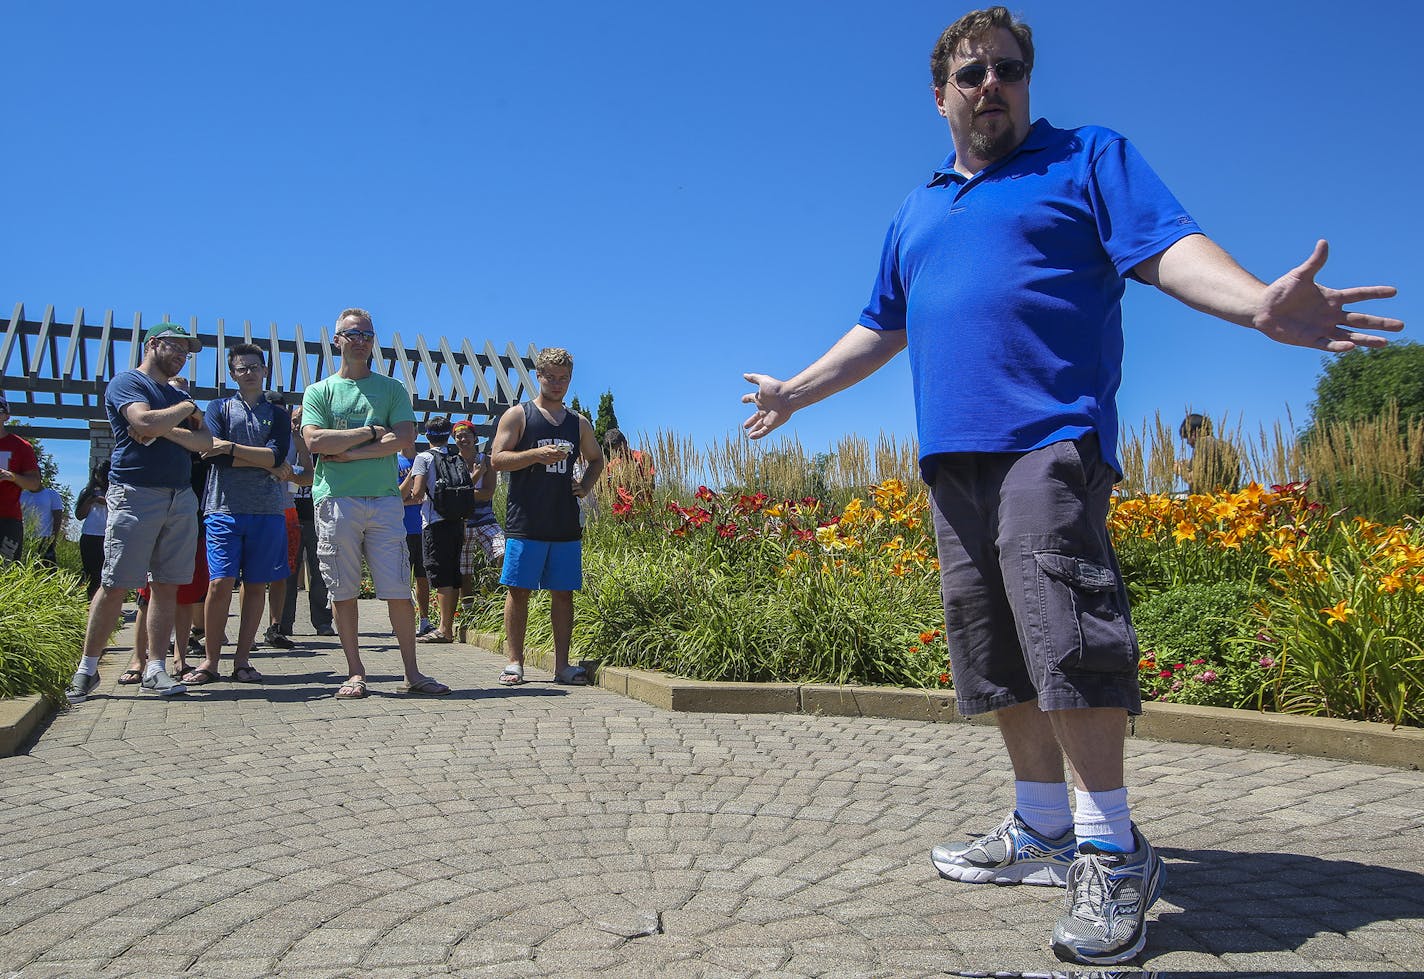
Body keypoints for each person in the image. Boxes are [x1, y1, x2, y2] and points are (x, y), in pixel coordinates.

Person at [740, 7, 1403, 965]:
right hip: (951, 457)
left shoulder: (1086, 158)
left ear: (1026, 82)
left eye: (1008, 70)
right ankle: (1043, 827)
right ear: (940, 96)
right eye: (971, 75)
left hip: (1049, 440)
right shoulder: (918, 210)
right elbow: (881, 325)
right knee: (997, 646)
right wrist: (799, 391)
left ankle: (1112, 850)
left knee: (1066, 631)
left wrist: (1258, 301)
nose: (991, 87)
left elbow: (1168, 249)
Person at [300, 308, 450, 698]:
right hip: (335, 500)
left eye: (367, 334)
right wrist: (369, 432)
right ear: (337, 340)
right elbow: (315, 442)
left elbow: (402, 436)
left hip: (384, 501)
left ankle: (412, 673)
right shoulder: (319, 391)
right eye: (352, 334)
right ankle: (355, 672)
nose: (361, 340)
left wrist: (348, 451)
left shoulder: (391, 389)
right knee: (343, 589)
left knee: (398, 588)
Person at [66, 322, 214, 703]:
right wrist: (181, 409)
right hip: (135, 493)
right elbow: (141, 421)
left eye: (187, 350)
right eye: (176, 346)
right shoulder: (127, 383)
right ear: (153, 344)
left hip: (180, 497)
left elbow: (204, 442)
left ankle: (155, 668)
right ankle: (88, 668)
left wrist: (159, 427)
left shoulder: (167, 394)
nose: (183, 354)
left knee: (167, 586)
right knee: (116, 583)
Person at [490, 347, 604, 686]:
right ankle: (514, 662)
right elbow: (497, 459)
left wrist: (584, 486)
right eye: (550, 377)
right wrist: (536, 455)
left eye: (563, 378)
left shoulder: (578, 422)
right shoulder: (519, 415)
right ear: (538, 376)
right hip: (526, 520)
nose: (557, 384)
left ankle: (562, 667)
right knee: (519, 590)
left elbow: (596, 459)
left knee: (563, 593)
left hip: (564, 522)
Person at [182, 344, 292, 686]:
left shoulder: (278, 414)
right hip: (222, 509)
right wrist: (254, 458)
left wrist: (231, 448)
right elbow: (210, 453)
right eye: (242, 368)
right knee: (219, 584)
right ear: (232, 373)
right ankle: (210, 661)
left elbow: (276, 455)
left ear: (265, 370)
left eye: (255, 367)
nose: (249, 372)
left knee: (256, 585)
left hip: (268, 511)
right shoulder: (218, 407)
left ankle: (242, 661)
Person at [408, 415, 468, 644]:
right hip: (456, 521)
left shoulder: (423, 458)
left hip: (434, 521)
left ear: (427, 435)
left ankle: (444, 629)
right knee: (452, 574)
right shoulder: (455, 457)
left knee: (440, 574)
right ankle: (448, 626)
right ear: (448, 434)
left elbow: (418, 491)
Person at [278, 404, 334, 638]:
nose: (297, 424)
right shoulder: (283, 445)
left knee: (320, 572)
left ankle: (322, 622)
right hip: (288, 515)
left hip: (317, 518)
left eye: (301, 419)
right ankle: (283, 623)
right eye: (294, 420)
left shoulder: (321, 448)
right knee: (287, 573)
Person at [455, 420, 505, 595]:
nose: (462, 439)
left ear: (475, 438)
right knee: (464, 572)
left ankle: (500, 595)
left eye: (466, 435)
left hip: (485, 520)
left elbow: (488, 493)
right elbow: (455, 496)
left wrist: (462, 493)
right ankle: (468, 614)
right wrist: (476, 478)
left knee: (504, 552)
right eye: (458, 436)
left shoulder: (487, 460)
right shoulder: (453, 463)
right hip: (462, 523)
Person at [398, 439, 435, 637]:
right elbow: (396, 497)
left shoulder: (426, 459)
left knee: (423, 578)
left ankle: (424, 621)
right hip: (401, 530)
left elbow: (427, 495)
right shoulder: (393, 462)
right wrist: (413, 474)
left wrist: (410, 498)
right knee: (401, 580)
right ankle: (402, 622)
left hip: (423, 529)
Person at [0, 396, 42, 565]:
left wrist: (12, 476)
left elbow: (34, 484)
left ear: (6, 416)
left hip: (7, 519)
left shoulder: (21, 446)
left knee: (6, 571)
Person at [1175, 413, 1242, 495]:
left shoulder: (1202, 443)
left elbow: (1194, 479)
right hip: (1229, 501)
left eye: (1187, 437)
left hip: (1210, 504)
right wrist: (1189, 463)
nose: (1188, 443)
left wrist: (1179, 469)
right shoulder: (1227, 446)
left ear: (1194, 432)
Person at [74, 462, 111, 597]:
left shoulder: (114, 492)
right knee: (91, 571)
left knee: (107, 572)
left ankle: (107, 601)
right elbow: (79, 515)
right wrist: (89, 501)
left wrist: (105, 501)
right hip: (90, 535)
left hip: (108, 535)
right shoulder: (87, 492)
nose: (99, 479)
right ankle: (90, 600)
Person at [20, 483, 66, 569]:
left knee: (48, 570)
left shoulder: (51, 494)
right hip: (27, 538)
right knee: (28, 567)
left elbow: (58, 517)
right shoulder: (22, 495)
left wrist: (53, 539)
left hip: (46, 538)